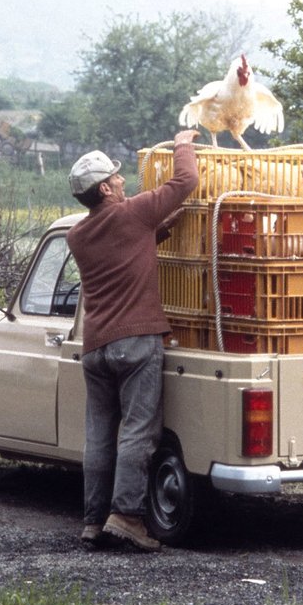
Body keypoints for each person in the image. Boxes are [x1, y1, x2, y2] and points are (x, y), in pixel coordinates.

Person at [66, 128, 200, 551]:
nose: (125, 182)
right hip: (136, 342)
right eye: (117, 178)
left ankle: (93, 520)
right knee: (139, 432)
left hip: (96, 347)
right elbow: (185, 183)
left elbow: (123, 248)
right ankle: (126, 516)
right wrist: (183, 144)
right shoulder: (133, 213)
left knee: (100, 435)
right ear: (104, 188)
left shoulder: (77, 235)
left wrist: (158, 231)